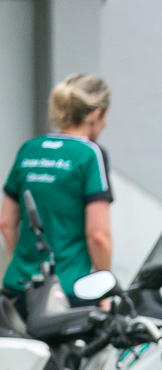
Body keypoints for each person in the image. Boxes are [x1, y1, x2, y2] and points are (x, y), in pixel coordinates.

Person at [0, 74, 114, 319]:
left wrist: (27, 265)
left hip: (16, 288)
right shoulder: (90, 154)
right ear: (95, 114)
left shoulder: (29, 149)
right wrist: (104, 290)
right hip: (69, 292)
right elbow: (98, 236)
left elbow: (6, 223)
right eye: (106, 116)